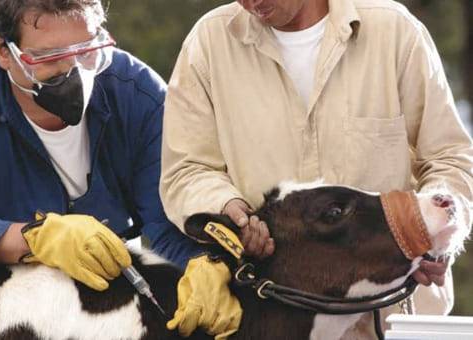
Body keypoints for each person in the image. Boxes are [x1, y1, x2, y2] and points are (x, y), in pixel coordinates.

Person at [160, 0, 473, 338]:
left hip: (394, 317)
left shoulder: (395, 31)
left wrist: (439, 239)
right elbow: (187, 170)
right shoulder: (207, 44)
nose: (252, 2)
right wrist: (228, 210)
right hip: (275, 322)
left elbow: (451, 158)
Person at [0, 0, 241, 338]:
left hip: (98, 308)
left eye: (86, 50)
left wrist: (205, 265)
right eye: (50, 57)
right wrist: (32, 238)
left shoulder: (138, 94)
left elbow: (165, 221)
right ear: (2, 50)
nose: (74, 71)